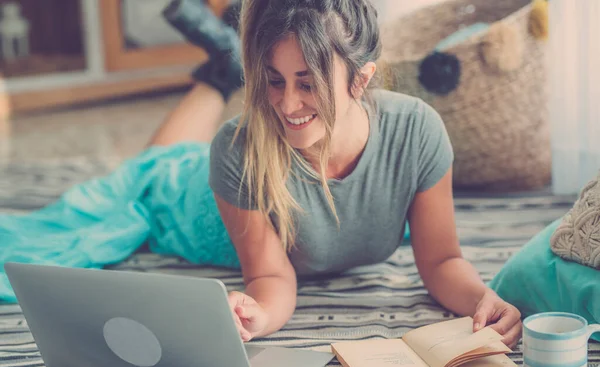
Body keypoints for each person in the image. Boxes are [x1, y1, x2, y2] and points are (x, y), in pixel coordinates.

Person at [0, 0, 523, 348]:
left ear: (361, 80)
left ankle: (218, 69)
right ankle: (220, 72)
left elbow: (442, 259)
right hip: (182, 204)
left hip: (218, 169)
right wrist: (257, 316)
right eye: (272, 80)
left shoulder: (418, 132)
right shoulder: (237, 147)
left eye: (307, 83)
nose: (287, 103)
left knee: (170, 154)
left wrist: (483, 300)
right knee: (154, 168)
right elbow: (272, 277)